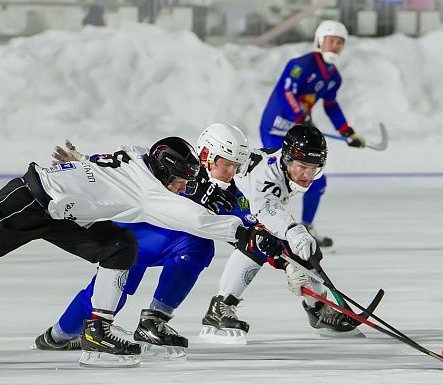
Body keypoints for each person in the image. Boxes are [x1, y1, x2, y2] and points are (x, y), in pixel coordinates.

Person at [0, 136, 282, 367]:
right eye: (180, 181)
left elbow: (103, 163)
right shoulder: (151, 189)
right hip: (27, 204)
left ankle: (97, 328)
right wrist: (243, 235)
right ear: (166, 170)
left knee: (120, 246)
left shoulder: (138, 157)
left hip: (63, 213)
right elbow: (195, 221)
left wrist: (80, 165)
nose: (182, 188)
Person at [33, 123, 256, 357]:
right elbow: (125, 166)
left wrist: (277, 237)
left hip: (140, 238)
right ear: (206, 155)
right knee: (194, 244)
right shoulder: (176, 162)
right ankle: (63, 335)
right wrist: (84, 165)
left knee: (195, 246)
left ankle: (63, 335)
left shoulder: (230, 191)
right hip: (130, 233)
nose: (231, 172)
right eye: (227, 164)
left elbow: (252, 223)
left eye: (236, 166)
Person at [200, 125, 361, 342]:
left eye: (314, 168)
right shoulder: (266, 175)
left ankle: (318, 310)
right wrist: (292, 237)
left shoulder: (282, 165)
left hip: (243, 202)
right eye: (303, 166)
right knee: (259, 242)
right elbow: (265, 208)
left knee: (301, 251)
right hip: (222, 201)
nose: (307, 175)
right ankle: (221, 305)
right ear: (287, 159)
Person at [260, 20, 366, 247]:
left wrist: (347, 130)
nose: (335, 46)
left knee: (316, 180)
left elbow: (331, 105)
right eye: (332, 40)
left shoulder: (333, 77)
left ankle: (306, 227)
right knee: (276, 178)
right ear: (320, 40)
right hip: (275, 130)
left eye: (340, 42)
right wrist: (300, 115)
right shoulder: (301, 65)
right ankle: (271, 226)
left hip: (298, 132)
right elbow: (287, 92)